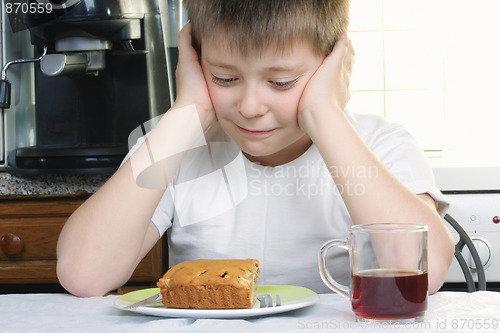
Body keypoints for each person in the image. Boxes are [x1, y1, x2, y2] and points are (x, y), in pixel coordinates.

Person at [56, 0, 455, 297]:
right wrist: (188, 110)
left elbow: (425, 272)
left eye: (281, 82)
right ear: (195, 63)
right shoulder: (177, 142)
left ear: (332, 67)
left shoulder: (379, 144)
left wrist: (325, 113)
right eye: (224, 78)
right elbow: (83, 274)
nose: (249, 107)